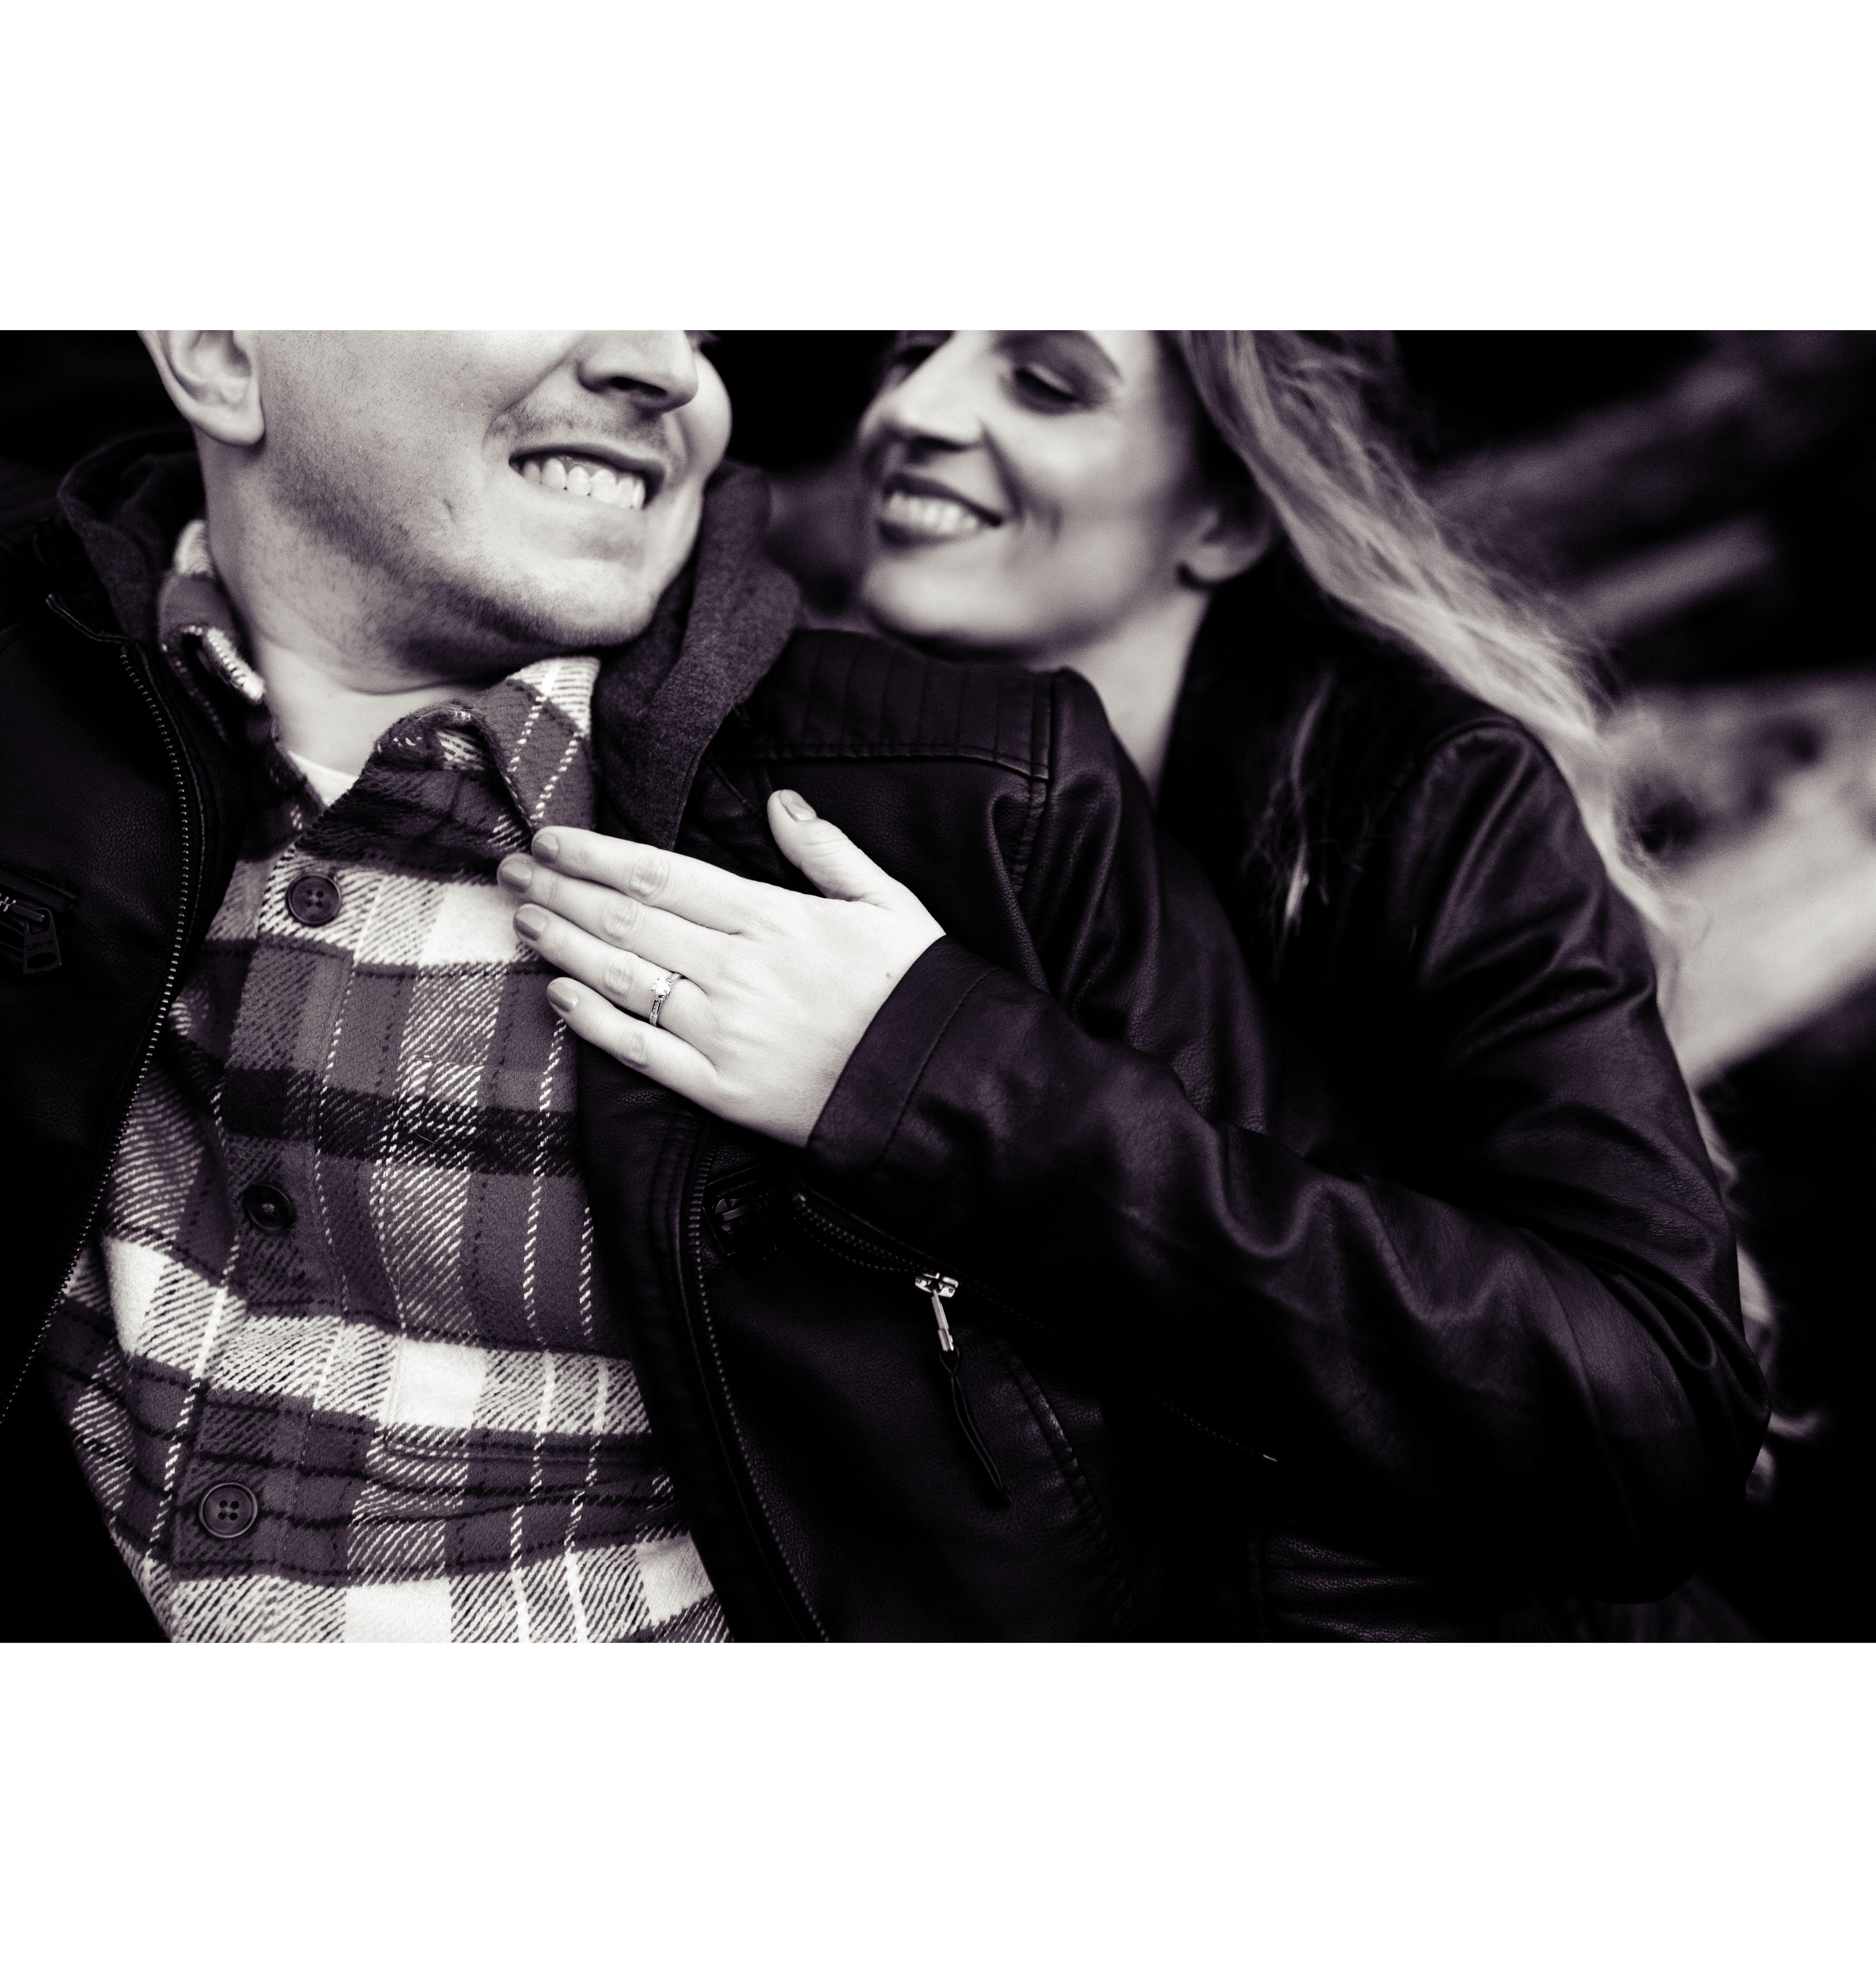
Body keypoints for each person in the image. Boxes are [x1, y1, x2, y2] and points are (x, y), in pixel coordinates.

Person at [0, 330, 1258, 1640]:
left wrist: (930, 1071)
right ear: (222, 349)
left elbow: (1309, 1441)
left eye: (697, 313)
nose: (667, 362)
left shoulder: (981, 804)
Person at [498, 331, 1770, 1638]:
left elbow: (1650, 1417)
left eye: (1044, 383)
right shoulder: (844, 782)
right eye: (910, 353)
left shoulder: (1419, 795)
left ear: (1218, 516)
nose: (917, 411)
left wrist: (930, 1075)